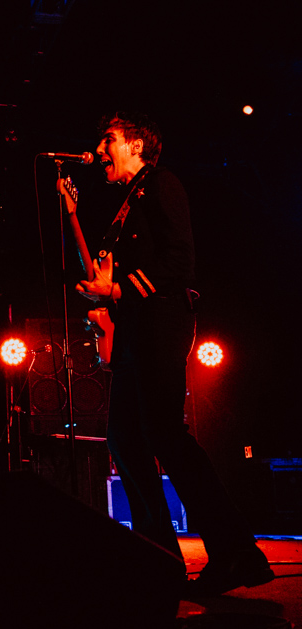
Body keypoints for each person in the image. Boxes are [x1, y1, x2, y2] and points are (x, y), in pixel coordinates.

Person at [71, 111, 272, 596]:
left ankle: (237, 553)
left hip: (161, 321)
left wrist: (117, 290)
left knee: (164, 433)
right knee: (124, 438)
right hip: (137, 328)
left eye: (110, 140)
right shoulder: (127, 202)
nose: (100, 149)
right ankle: (157, 557)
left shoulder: (162, 184)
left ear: (138, 145)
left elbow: (179, 261)